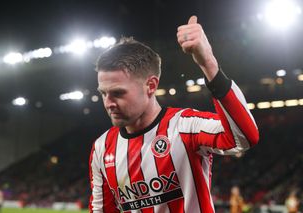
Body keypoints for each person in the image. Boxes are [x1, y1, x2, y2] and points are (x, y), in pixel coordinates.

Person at [89, 15, 259, 213]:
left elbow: (245, 137)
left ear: (151, 86)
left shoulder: (186, 126)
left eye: (118, 93)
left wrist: (208, 63)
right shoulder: (102, 148)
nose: (108, 103)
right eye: (103, 93)